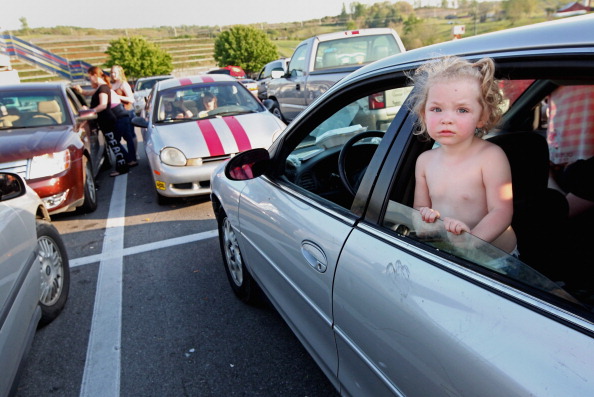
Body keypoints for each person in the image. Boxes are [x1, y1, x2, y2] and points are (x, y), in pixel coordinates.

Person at [410, 56, 517, 254]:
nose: (447, 119)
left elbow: (501, 212)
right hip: (452, 251)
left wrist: (471, 241)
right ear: (424, 115)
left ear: (482, 117)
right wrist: (424, 218)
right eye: (436, 109)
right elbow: (419, 207)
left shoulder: (491, 157)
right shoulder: (424, 161)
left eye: (462, 110)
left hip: (496, 256)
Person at [75, 66, 129, 177]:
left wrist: (90, 111)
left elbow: (103, 105)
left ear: (95, 76)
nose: (89, 79)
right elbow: (91, 94)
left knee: (114, 144)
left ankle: (123, 168)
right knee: (114, 143)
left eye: (89, 77)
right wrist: (81, 92)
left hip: (107, 120)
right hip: (105, 121)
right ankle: (124, 164)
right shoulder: (101, 87)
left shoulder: (103, 88)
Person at [110, 65, 138, 166]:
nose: (113, 74)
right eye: (112, 72)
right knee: (125, 136)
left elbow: (131, 99)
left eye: (115, 72)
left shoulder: (123, 84)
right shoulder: (112, 84)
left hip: (127, 111)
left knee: (130, 135)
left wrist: (117, 96)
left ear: (120, 73)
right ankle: (131, 157)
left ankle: (133, 155)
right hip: (117, 113)